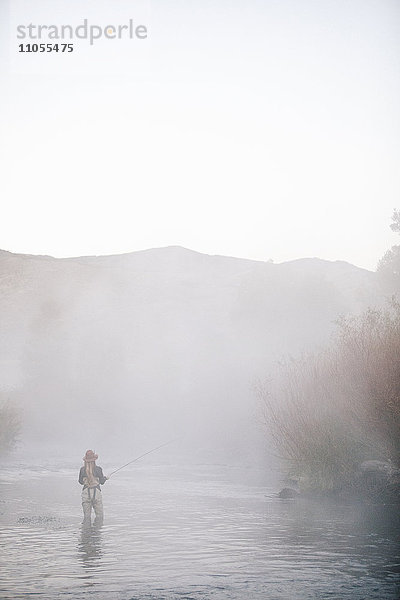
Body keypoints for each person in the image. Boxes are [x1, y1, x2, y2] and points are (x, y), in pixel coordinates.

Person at [79, 449, 108, 525]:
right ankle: (97, 533)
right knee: (99, 516)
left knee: (87, 517)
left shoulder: (82, 470)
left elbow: (80, 482)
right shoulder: (98, 469)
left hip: (86, 493)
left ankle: (86, 533)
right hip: (96, 493)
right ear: (94, 460)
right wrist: (105, 478)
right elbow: (102, 482)